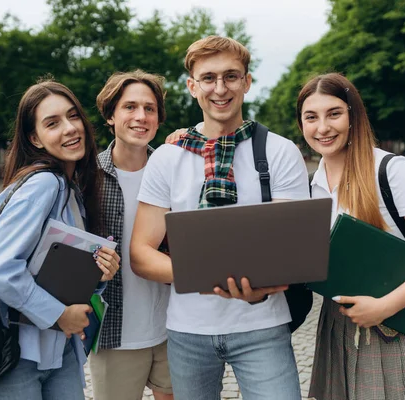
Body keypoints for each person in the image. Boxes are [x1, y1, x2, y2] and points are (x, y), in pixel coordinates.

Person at [130, 36, 309, 400]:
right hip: (187, 330)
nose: (220, 88)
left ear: (247, 81)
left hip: (263, 325)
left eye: (231, 76)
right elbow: (140, 253)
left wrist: (260, 289)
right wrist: (207, 272)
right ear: (192, 86)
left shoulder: (279, 152)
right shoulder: (167, 158)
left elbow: (293, 253)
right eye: (208, 78)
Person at [296, 72, 405, 400]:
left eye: (334, 113)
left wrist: (385, 306)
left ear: (353, 115)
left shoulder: (389, 170)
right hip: (338, 324)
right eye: (311, 117)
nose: (323, 128)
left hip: (396, 323)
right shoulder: (310, 185)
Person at [0, 79, 121, 400]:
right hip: (14, 356)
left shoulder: (72, 190)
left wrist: (100, 273)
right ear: (35, 139)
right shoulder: (44, 185)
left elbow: (54, 273)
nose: (69, 129)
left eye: (73, 116)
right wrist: (58, 315)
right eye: (53, 123)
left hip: (58, 351)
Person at [89, 70, 173, 400]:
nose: (141, 117)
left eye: (149, 108)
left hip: (174, 327)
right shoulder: (88, 179)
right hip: (114, 335)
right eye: (130, 107)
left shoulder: (174, 171)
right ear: (111, 115)